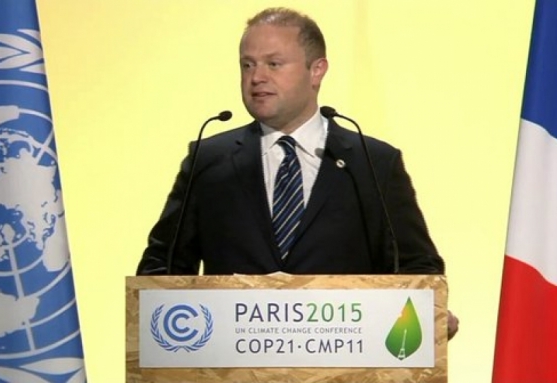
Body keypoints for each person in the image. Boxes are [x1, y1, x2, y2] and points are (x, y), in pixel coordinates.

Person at [136, 7, 458, 339]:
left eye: (273, 64)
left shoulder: (373, 163)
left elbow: (416, 267)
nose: (257, 77)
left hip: (345, 367)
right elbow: (162, 267)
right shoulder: (209, 161)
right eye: (247, 65)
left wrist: (427, 312)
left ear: (316, 70)